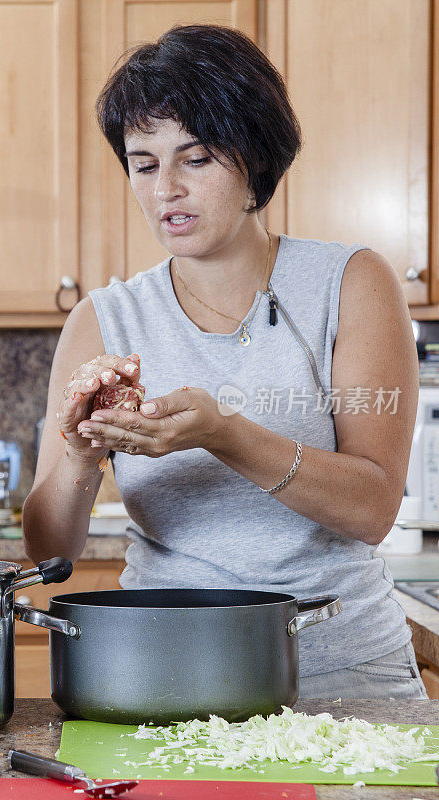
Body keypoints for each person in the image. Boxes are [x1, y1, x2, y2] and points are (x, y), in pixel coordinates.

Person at [22, 25, 426, 699]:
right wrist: (78, 452)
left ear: (255, 158)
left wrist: (225, 433)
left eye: (197, 158)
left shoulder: (351, 284)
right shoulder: (103, 319)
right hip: (162, 673)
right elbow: (48, 554)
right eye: (144, 165)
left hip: (344, 673)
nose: (166, 190)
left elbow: (373, 508)